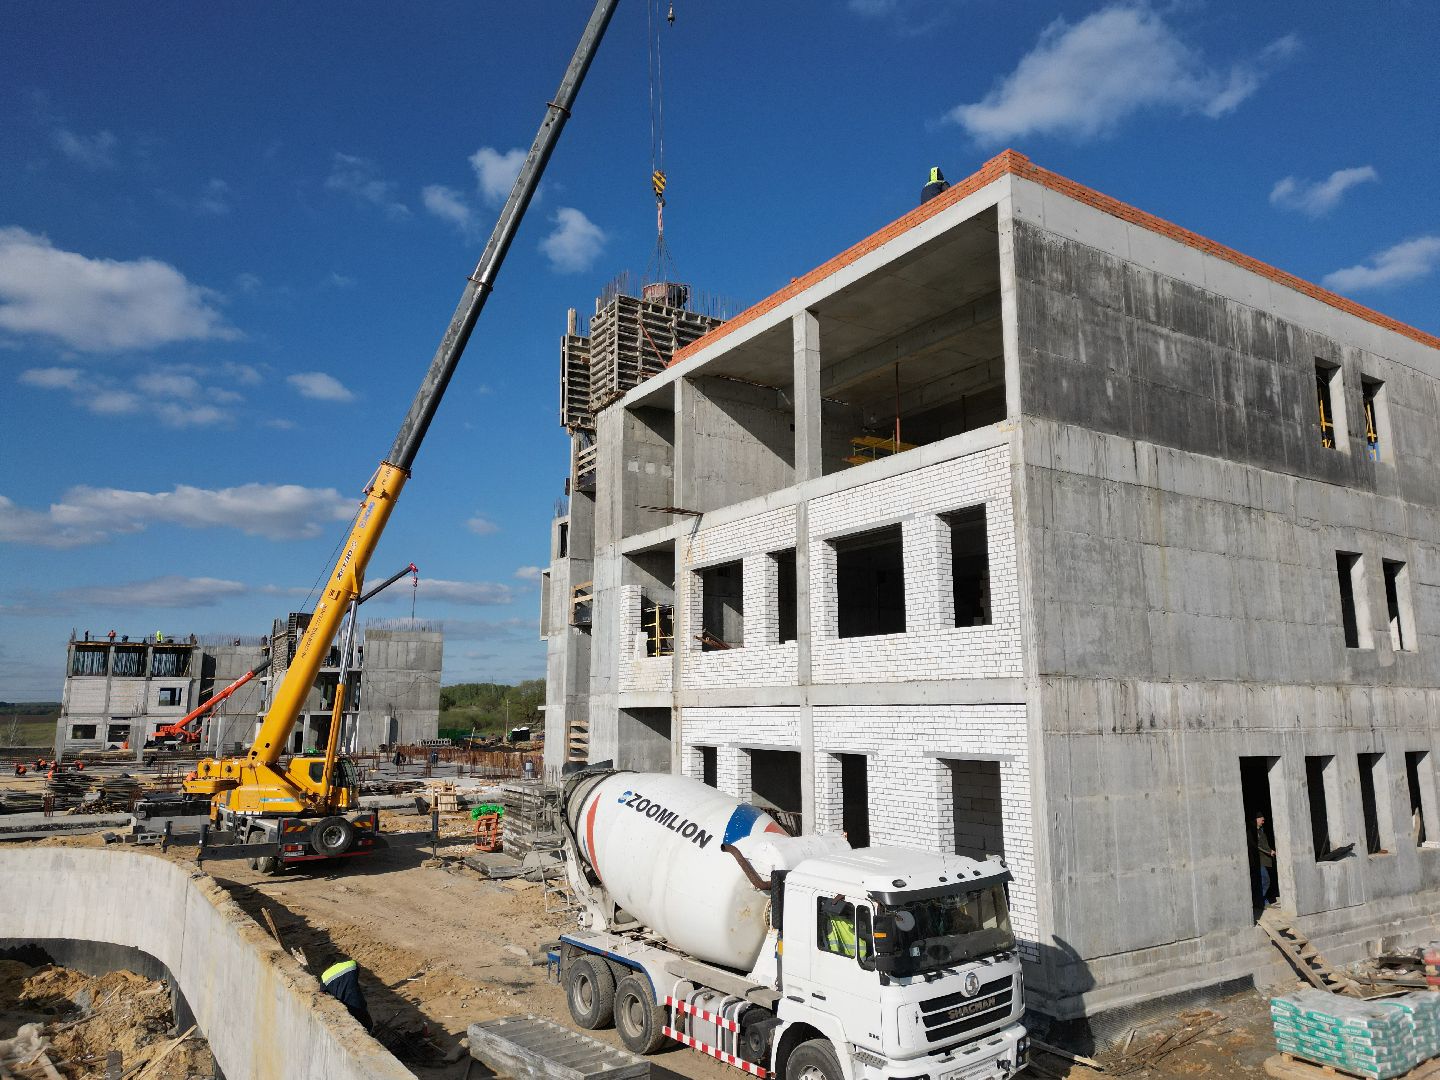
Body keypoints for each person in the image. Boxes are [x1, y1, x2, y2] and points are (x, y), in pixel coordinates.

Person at [321, 959, 374, 1031]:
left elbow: (322, 993)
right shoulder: (351, 964)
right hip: (357, 1001)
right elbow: (356, 975)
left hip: (344, 1007)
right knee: (367, 1023)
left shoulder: (324, 977)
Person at [1251, 813, 1278, 911]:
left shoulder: (1261, 831)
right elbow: (1257, 845)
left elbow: (1264, 844)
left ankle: (1262, 901)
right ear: (1257, 819)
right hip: (1259, 860)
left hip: (1264, 859)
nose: (1263, 821)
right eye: (1262, 819)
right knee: (1265, 880)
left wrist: (1270, 850)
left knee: (1263, 880)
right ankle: (1260, 901)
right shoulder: (1254, 831)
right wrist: (1269, 851)